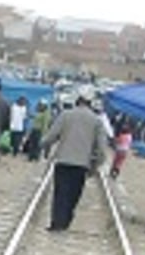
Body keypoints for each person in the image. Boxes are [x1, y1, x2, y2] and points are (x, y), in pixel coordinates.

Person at [43, 92, 105, 230]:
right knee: (73, 194)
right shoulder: (96, 121)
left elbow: (52, 135)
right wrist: (96, 164)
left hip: (63, 161)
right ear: (90, 105)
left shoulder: (66, 115)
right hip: (81, 164)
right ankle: (65, 220)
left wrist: (43, 145)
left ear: (77, 101)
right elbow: (101, 147)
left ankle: (56, 222)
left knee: (60, 193)